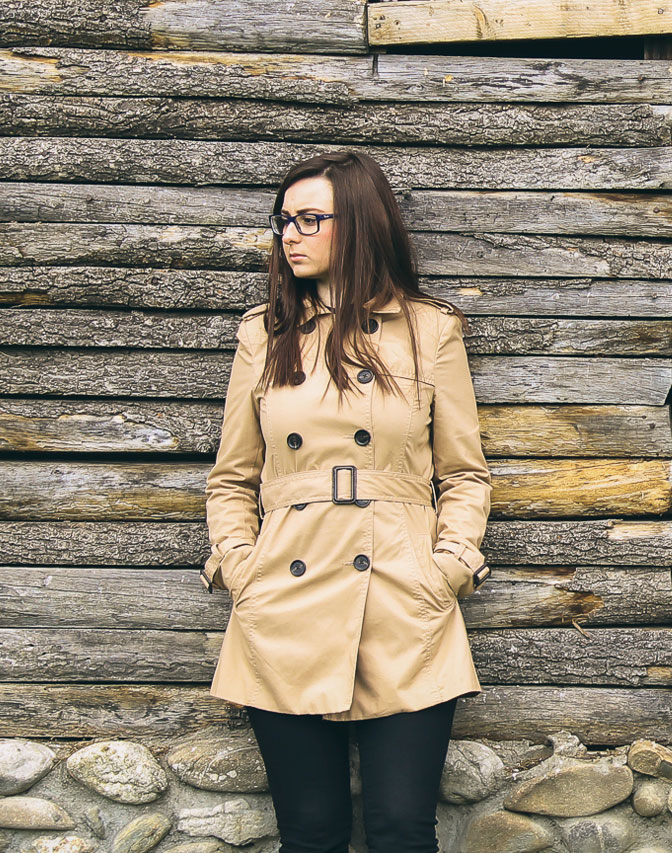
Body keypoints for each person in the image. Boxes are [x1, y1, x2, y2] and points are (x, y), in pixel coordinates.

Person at [199, 150, 493, 853]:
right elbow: (232, 478)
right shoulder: (264, 333)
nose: (289, 235)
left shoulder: (430, 330)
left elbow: (464, 473)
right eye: (284, 220)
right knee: (311, 834)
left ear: (358, 223)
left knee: (401, 829)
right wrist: (241, 568)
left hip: (402, 599)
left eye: (309, 219)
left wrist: (448, 567)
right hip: (285, 599)